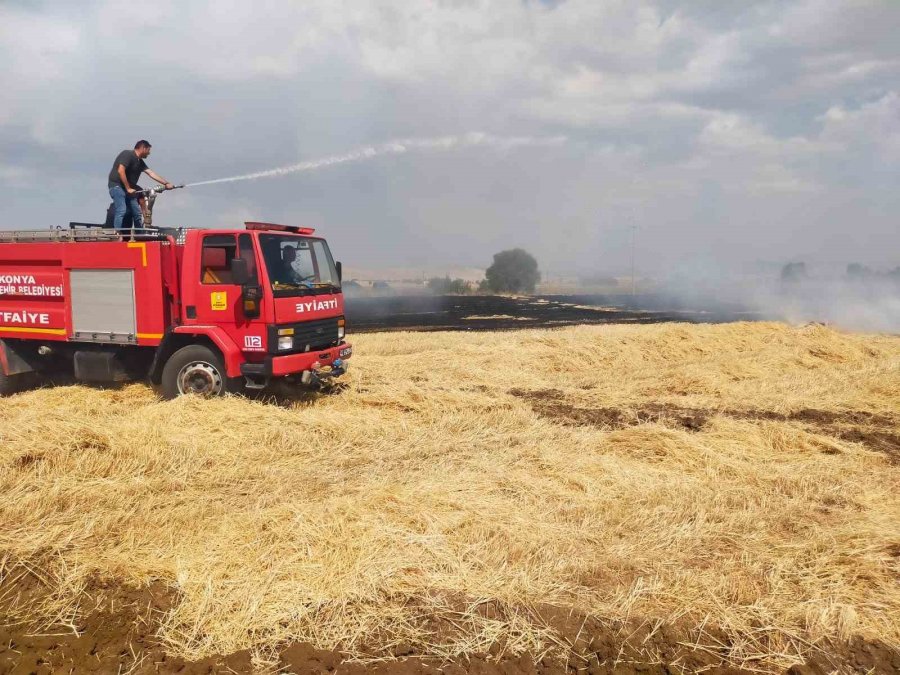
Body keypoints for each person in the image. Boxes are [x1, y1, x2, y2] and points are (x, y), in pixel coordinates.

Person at [107, 140, 175, 230]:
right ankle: (117, 233)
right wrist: (128, 188)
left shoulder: (140, 162)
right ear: (143, 148)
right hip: (117, 186)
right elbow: (120, 170)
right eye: (148, 150)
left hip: (128, 189)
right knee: (122, 209)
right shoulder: (127, 154)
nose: (149, 153)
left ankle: (139, 233)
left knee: (136, 212)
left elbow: (150, 173)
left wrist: (166, 183)